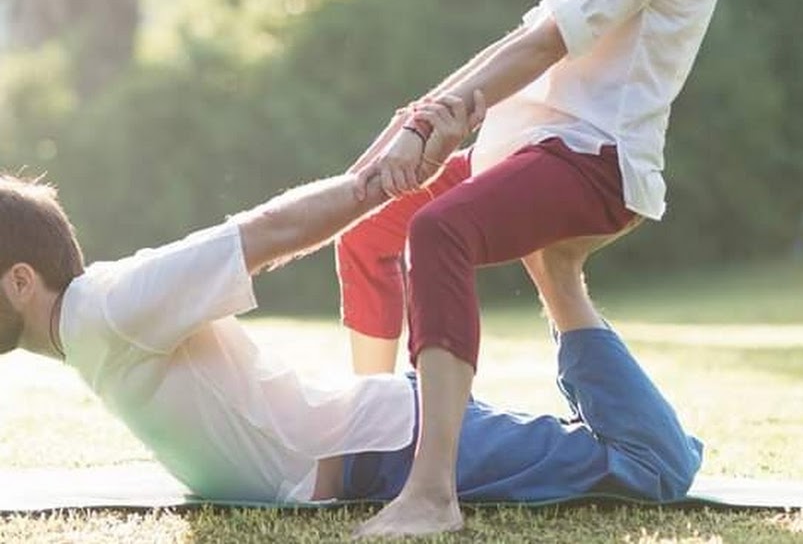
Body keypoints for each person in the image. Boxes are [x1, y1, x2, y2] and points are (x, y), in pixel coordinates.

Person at [341, 0, 748, 536]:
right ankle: (363, 436)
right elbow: (529, 30)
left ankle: (429, 492)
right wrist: (423, 115)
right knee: (369, 227)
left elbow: (543, 44)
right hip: (534, 142)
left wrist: (437, 126)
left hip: (591, 158)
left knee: (436, 233)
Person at [0, 98, 701, 513]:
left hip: (387, 448)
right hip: (375, 443)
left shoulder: (111, 307)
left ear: (21, 281)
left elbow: (267, 232)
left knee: (654, 465)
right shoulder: (86, 329)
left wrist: (386, 181)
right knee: (620, 455)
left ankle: (559, 279)